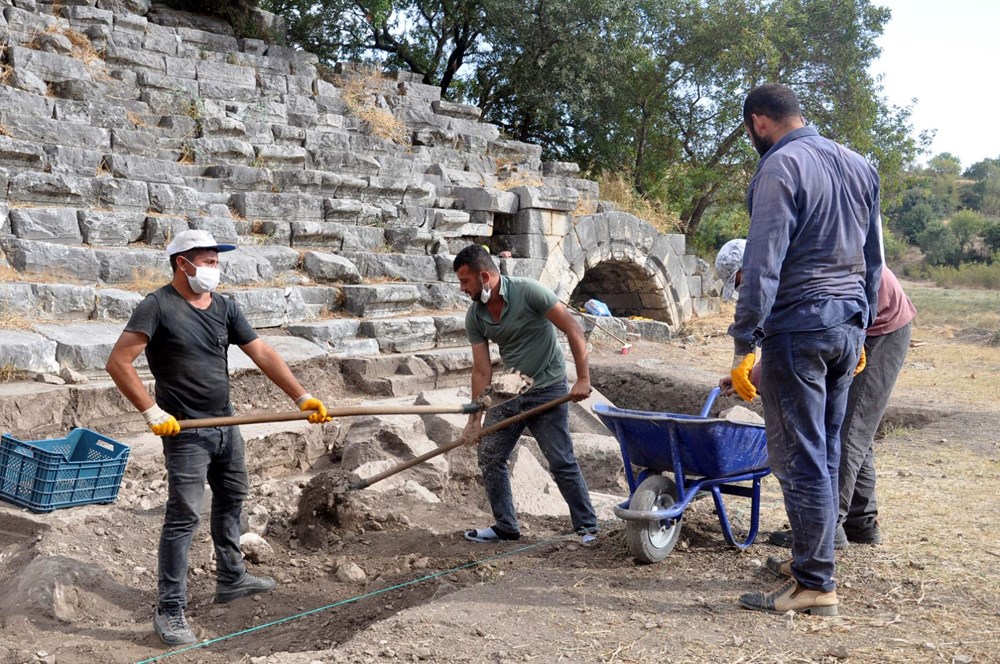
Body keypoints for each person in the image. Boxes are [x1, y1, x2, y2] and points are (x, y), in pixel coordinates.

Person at [105, 229, 333, 646]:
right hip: (186, 431)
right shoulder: (157, 306)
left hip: (225, 425)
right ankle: (170, 609)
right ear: (182, 263)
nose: (214, 268)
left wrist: (302, 396)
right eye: (207, 261)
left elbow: (261, 351)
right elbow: (118, 362)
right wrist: (153, 412)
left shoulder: (225, 306)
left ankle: (231, 576)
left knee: (233, 497)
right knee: (183, 517)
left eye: (215, 261)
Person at [724, 83, 883, 617]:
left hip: (800, 326)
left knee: (799, 455)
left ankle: (815, 582)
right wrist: (859, 328)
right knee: (827, 448)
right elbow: (874, 261)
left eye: (751, 131)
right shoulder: (860, 164)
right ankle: (812, 566)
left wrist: (746, 341)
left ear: (759, 122)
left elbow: (763, 264)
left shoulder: (779, 166)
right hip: (845, 325)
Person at [716, 242, 916, 548]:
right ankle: (861, 524)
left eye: (743, 282)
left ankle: (826, 532)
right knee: (855, 428)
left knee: (848, 431)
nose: (745, 290)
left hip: (878, 329)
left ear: (753, 267)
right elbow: (784, 337)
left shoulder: (794, 269)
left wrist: (756, 376)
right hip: (850, 324)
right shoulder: (778, 269)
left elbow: (802, 339)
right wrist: (747, 374)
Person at [453, 244, 599, 544]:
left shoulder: (529, 291)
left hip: (548, 387)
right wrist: (474, 418)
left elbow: (573, 329)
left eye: (465, 281)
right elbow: (482, 371)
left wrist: (583, 379)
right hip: (511, 391)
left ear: (484, 276)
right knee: (491, 455)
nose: (461, 288)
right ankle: (506, 526)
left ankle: (587, 527)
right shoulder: (475, 317)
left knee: (560, 460)